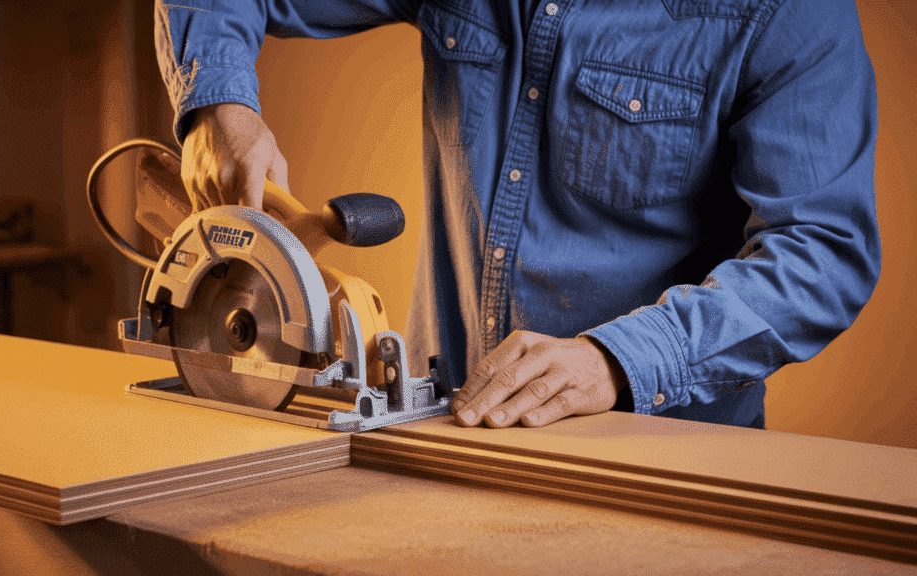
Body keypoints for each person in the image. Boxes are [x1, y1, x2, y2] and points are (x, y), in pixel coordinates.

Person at [154, 0, 879, 430]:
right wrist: (220, 107)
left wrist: (619, 361)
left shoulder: (787, 14)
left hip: (658, 460)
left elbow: (823, 252)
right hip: (444, 432)